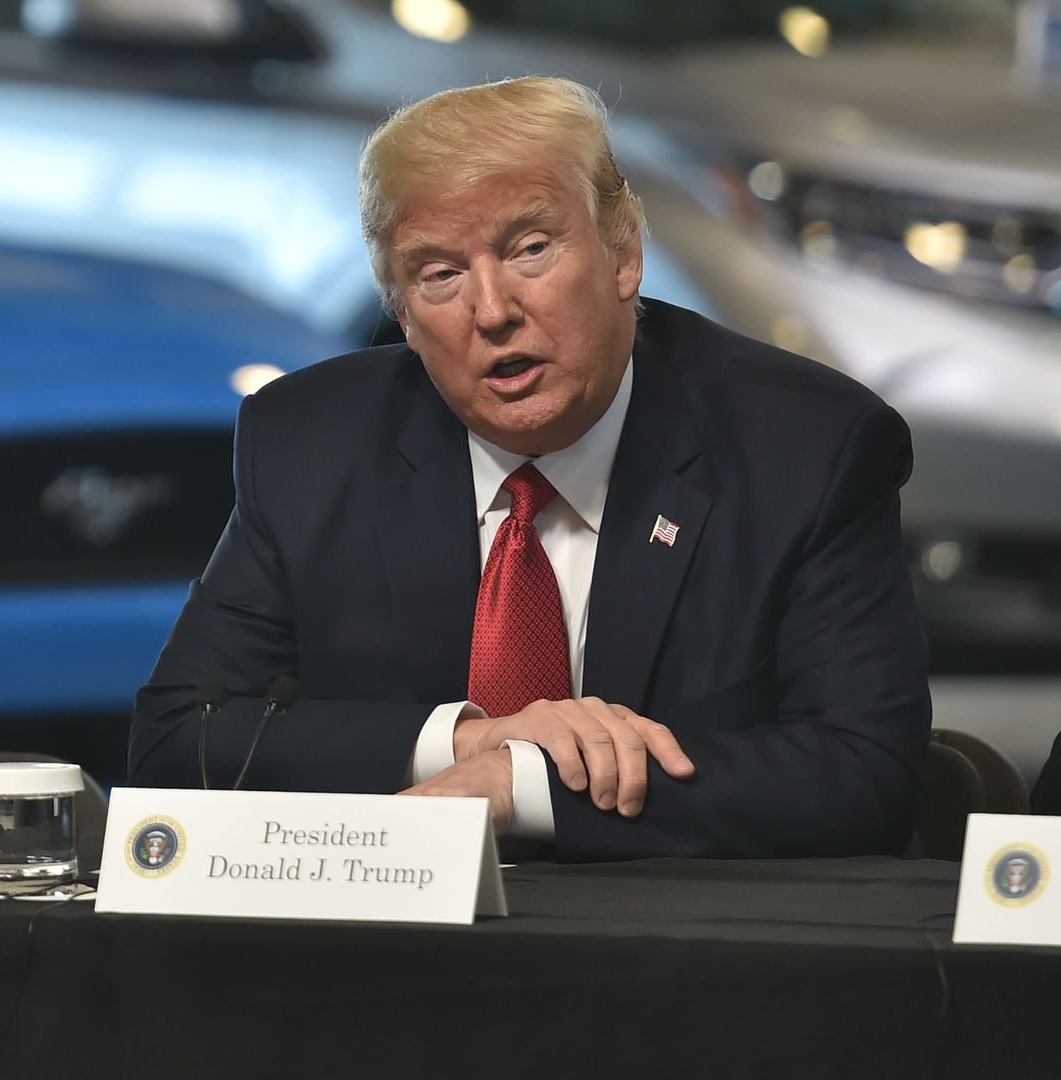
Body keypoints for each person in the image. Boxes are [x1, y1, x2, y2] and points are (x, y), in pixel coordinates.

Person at [127, 77, 931, 860]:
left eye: (531, 249)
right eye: (439, 274)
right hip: (387, 963)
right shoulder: (312, 442)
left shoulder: (807, 446)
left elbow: (866, 773)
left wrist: (524, 785)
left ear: (624, 254)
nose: (492, 309)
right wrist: (468, 743)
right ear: (402, 314)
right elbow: (179, 741)